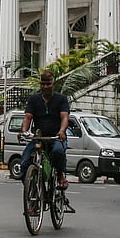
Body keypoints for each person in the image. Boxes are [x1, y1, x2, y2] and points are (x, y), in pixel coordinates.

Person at [18, 70, 71, 206]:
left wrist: (62, 131)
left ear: (54, 84)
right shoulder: (34, 99)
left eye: (48, 84)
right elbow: (28, 117)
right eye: (43, 84)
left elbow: (65, 117)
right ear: (40, 85)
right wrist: (24, 131)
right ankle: (35, 193)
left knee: (58, 152)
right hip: (38, 138)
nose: (46, 86)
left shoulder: (61, 99)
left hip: (55, 137)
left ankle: (59, 176)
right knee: (24, 163)